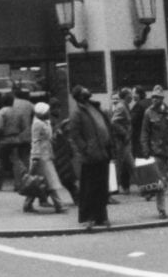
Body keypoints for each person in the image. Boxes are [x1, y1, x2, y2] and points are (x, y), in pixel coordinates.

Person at [68, 85, 113, 229]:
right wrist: (85, 149)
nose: (88, 91)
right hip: (91, 155)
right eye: (84, 90)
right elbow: (75, 134)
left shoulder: (94, 107)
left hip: (103, 152)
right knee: (90, 188)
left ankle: (101, 216)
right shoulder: (77, 113)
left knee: (102, 187)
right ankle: (89, 217)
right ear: (80, 96)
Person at [140, 85, 168, 219]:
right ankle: (161, 209)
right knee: (160, 182)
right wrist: (146, 150)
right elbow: (145, 133)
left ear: (162, 99)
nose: (154, 99)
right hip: (157, 151)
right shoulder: (148, 113)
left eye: (157, 97)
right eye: (153, 97)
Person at [24, 102, 66, 213]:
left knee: (36, 182)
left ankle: (27, 204)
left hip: (46, 154)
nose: (49, 113)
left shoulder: (45, 122)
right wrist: (35, 157)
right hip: (41, 157)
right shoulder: (37, 124)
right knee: (50, 181)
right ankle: (59, 205)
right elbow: (36, 141)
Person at [0, 93, 26, 191]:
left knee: (1, 161)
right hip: (16, 139)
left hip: (4, 140)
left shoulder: (1, 112)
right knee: (16, 161)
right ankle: (18, 184)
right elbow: (24, 126)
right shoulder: (18, 112)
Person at [50, 97, 78, 205]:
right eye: (57, 108)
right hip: (59, 154)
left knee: (57, 177)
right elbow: (55, 136)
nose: (59, 111)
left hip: (59, 154)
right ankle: (77, 197)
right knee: (66, 177)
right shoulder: (52, 121)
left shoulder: (53, 120)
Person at [111, 87, 135, 194]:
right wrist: (124, 133)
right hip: (122, 142)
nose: (132, 97)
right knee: (128, 165)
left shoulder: (124, 106)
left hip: (124, 141)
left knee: (123, 165)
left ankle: (113, 188)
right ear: (126, 96)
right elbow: (114, 122)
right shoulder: (121, 107)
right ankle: (145, 188)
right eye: (130, 94)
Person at [13, 90, 35, 172]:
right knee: (26, 156)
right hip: (27, 135)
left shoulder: (11, 103)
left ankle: (19, 174)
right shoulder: (29, 104)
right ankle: (27, 174)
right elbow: (38, 113)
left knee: (15, 156)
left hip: (13, 135)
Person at [130, 86, 149, 159]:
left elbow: (132, 120)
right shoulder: (149, 102)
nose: (132, 95)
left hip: (139, 136)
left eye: (133, 93)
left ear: (138, 94)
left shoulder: (139, 105)